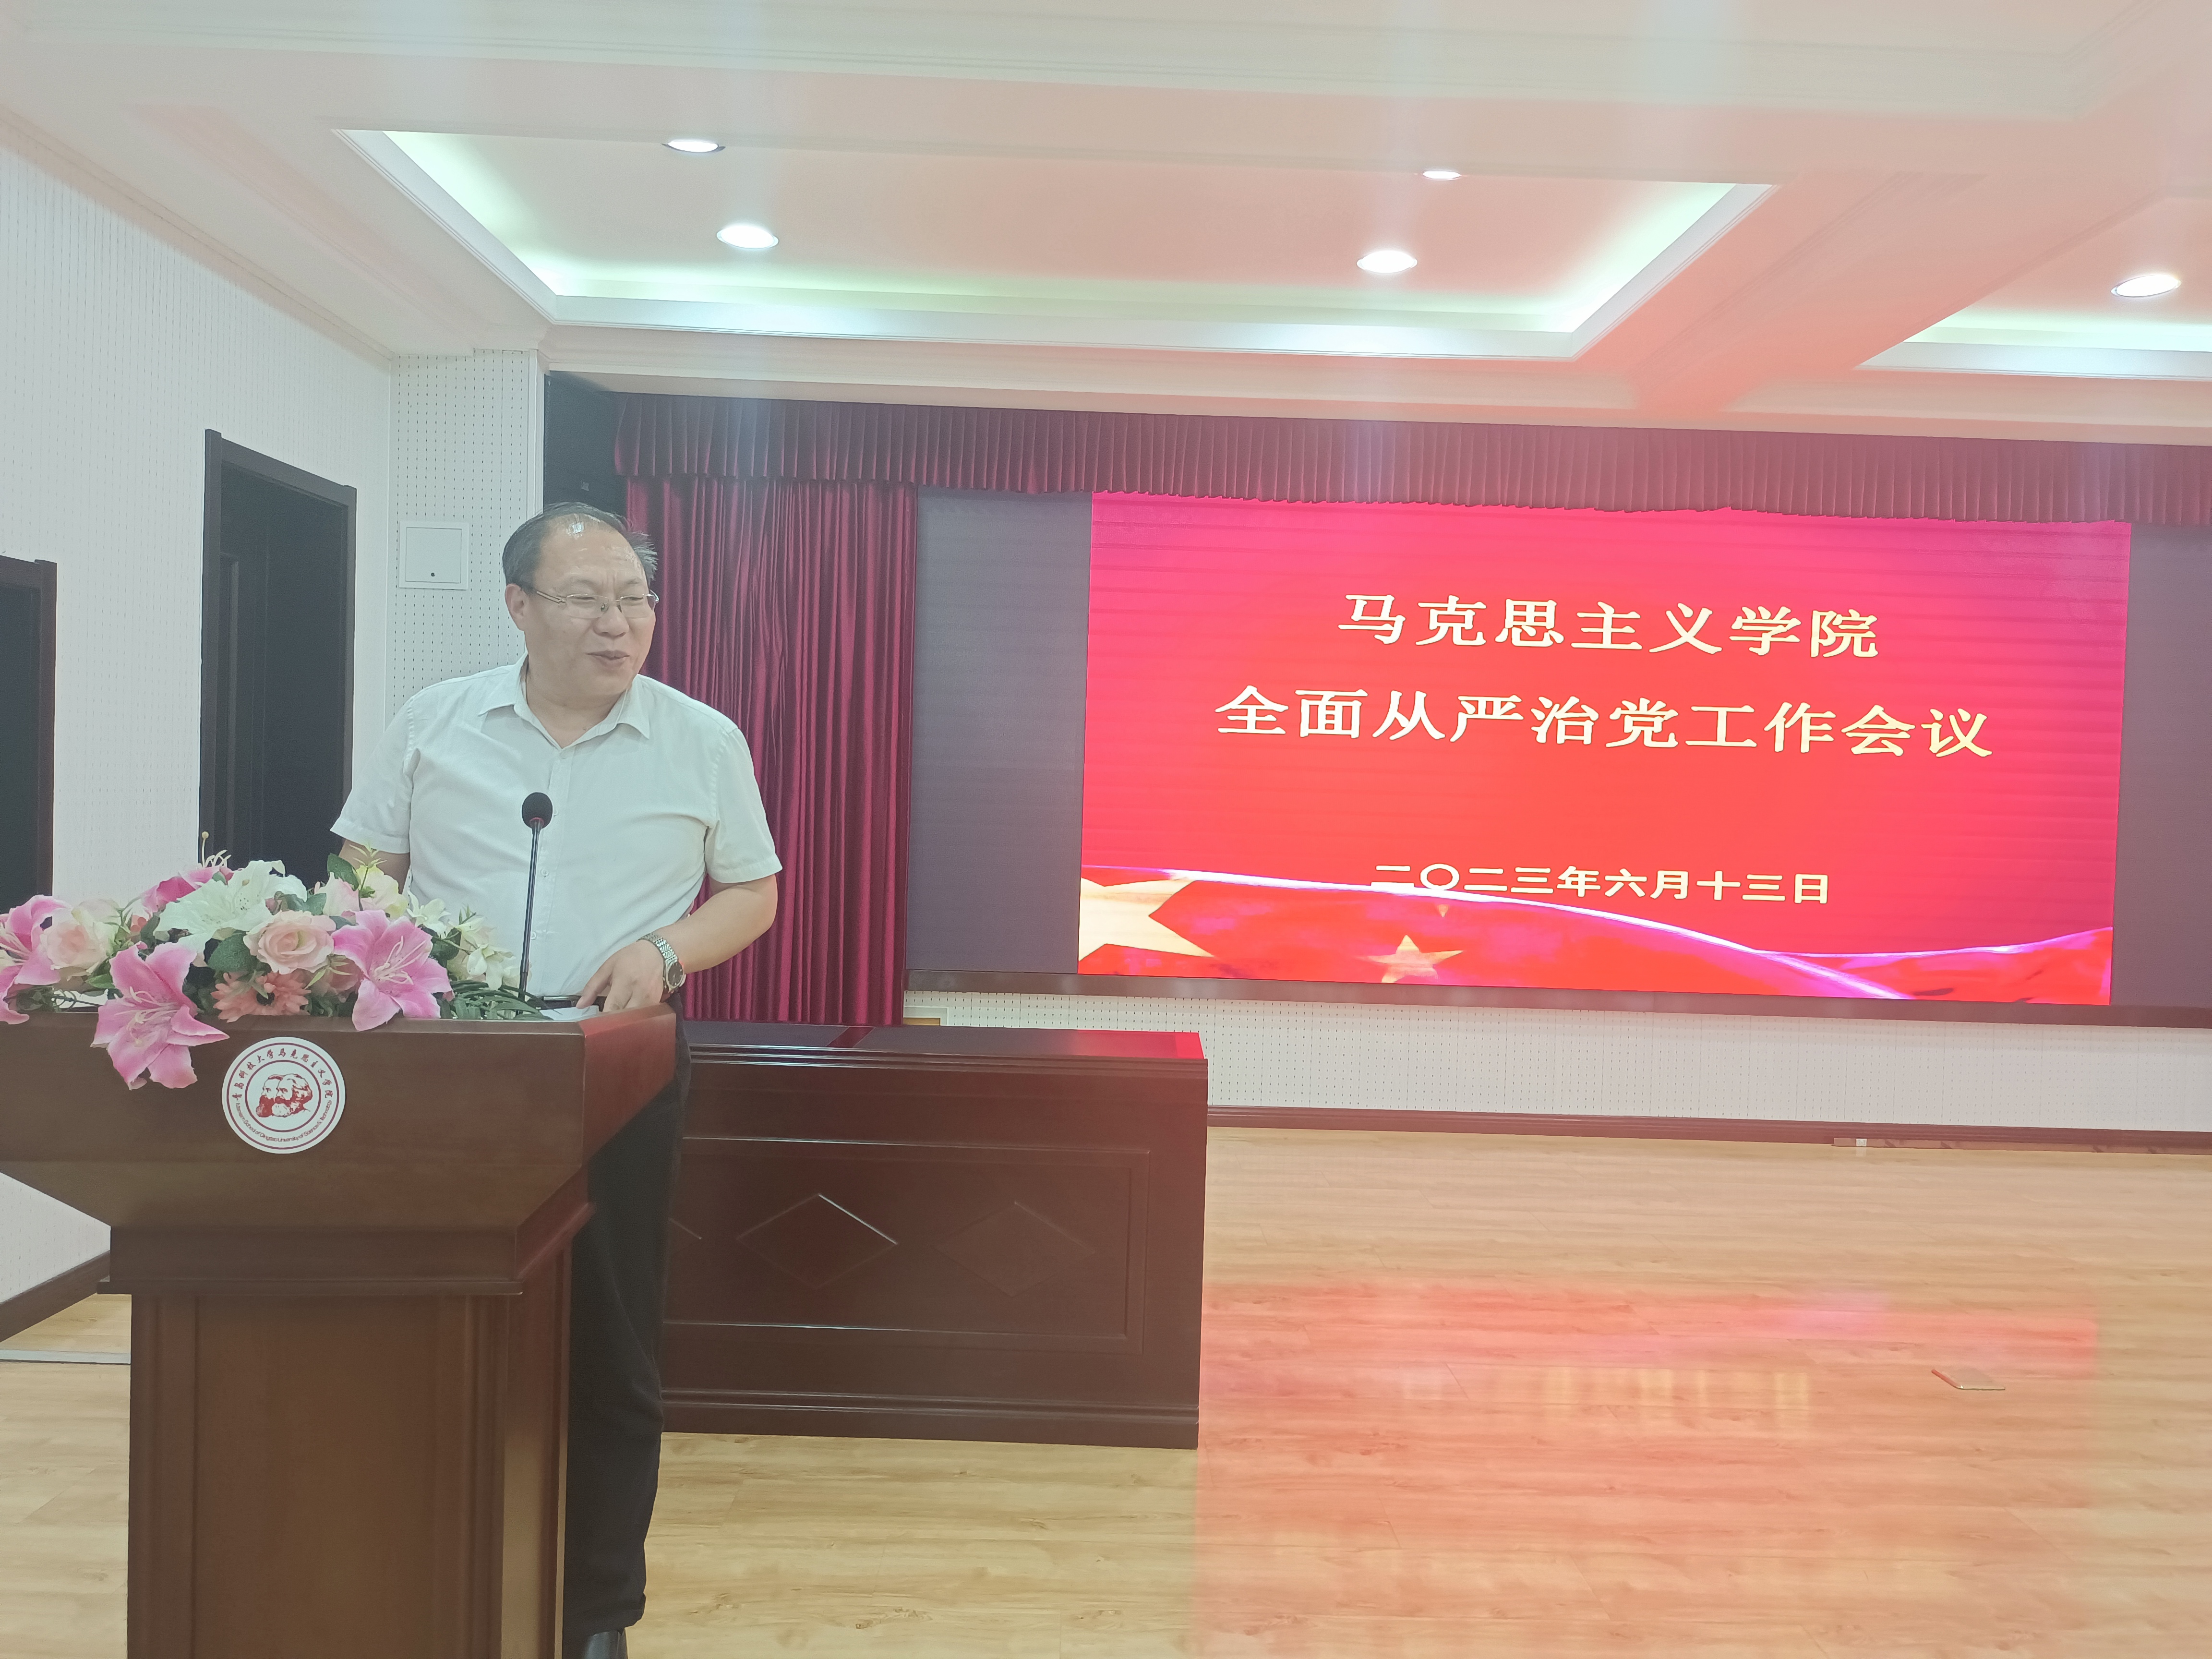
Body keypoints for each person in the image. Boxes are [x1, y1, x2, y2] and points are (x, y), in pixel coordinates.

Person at [330, 503, 781, 1659]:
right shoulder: (437, 722)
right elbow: (364, 866)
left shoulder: (701, 739)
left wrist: (665, 951)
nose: (618, 622)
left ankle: (594, 1612)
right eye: (587, 599)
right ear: (519, 606)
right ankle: (433, 1573)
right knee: (443, 1322)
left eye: (635, 599)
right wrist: (397, 952)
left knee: (610, 1340)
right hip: (450, 1066)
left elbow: (752, 891)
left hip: (616, 1061)